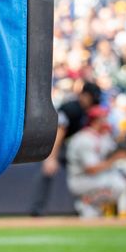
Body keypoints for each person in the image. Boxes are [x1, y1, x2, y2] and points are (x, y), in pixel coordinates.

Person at [29, 81, 101, 217]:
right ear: (84, 95)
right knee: (47, 172)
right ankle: (36, 210)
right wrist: (51, 157)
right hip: (55, 144)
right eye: (92, 98)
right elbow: (59, 131)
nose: (93, 102)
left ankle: (84, 207)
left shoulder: (87, 111)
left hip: (72, 148)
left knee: (84, 172)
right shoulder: (71, 108)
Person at [65, 105, 126, 217]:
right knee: (118, 184)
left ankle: (91, 205)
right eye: (103, 118)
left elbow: (114, 151)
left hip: (95, 178)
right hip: (81, 179)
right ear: (95, 120)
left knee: (123, 177)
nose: (106, 120)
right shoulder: (83, 139)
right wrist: (114, 159)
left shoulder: (103, 136)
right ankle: (86, 202)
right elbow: (92, 169)